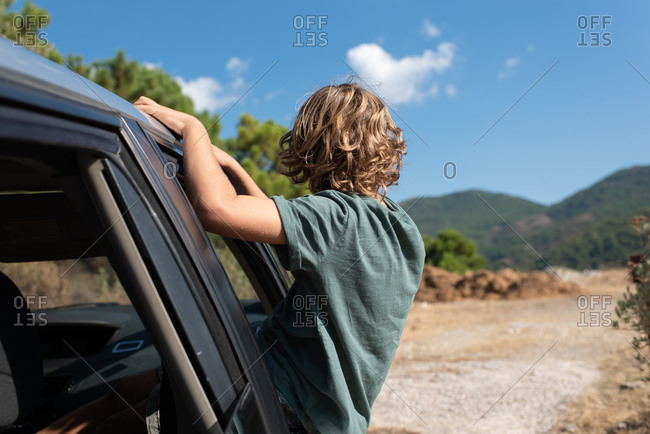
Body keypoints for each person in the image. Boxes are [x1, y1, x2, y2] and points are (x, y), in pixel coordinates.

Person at [40, 81, 424, 433]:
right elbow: (284, 230)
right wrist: (235, 168)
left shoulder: (335, 216)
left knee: (114, 421)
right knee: (127, 389)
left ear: (317, 144)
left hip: (280, 401)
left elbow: (213, 209)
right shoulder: (397, 227)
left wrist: (195, 131)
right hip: (317, 410)